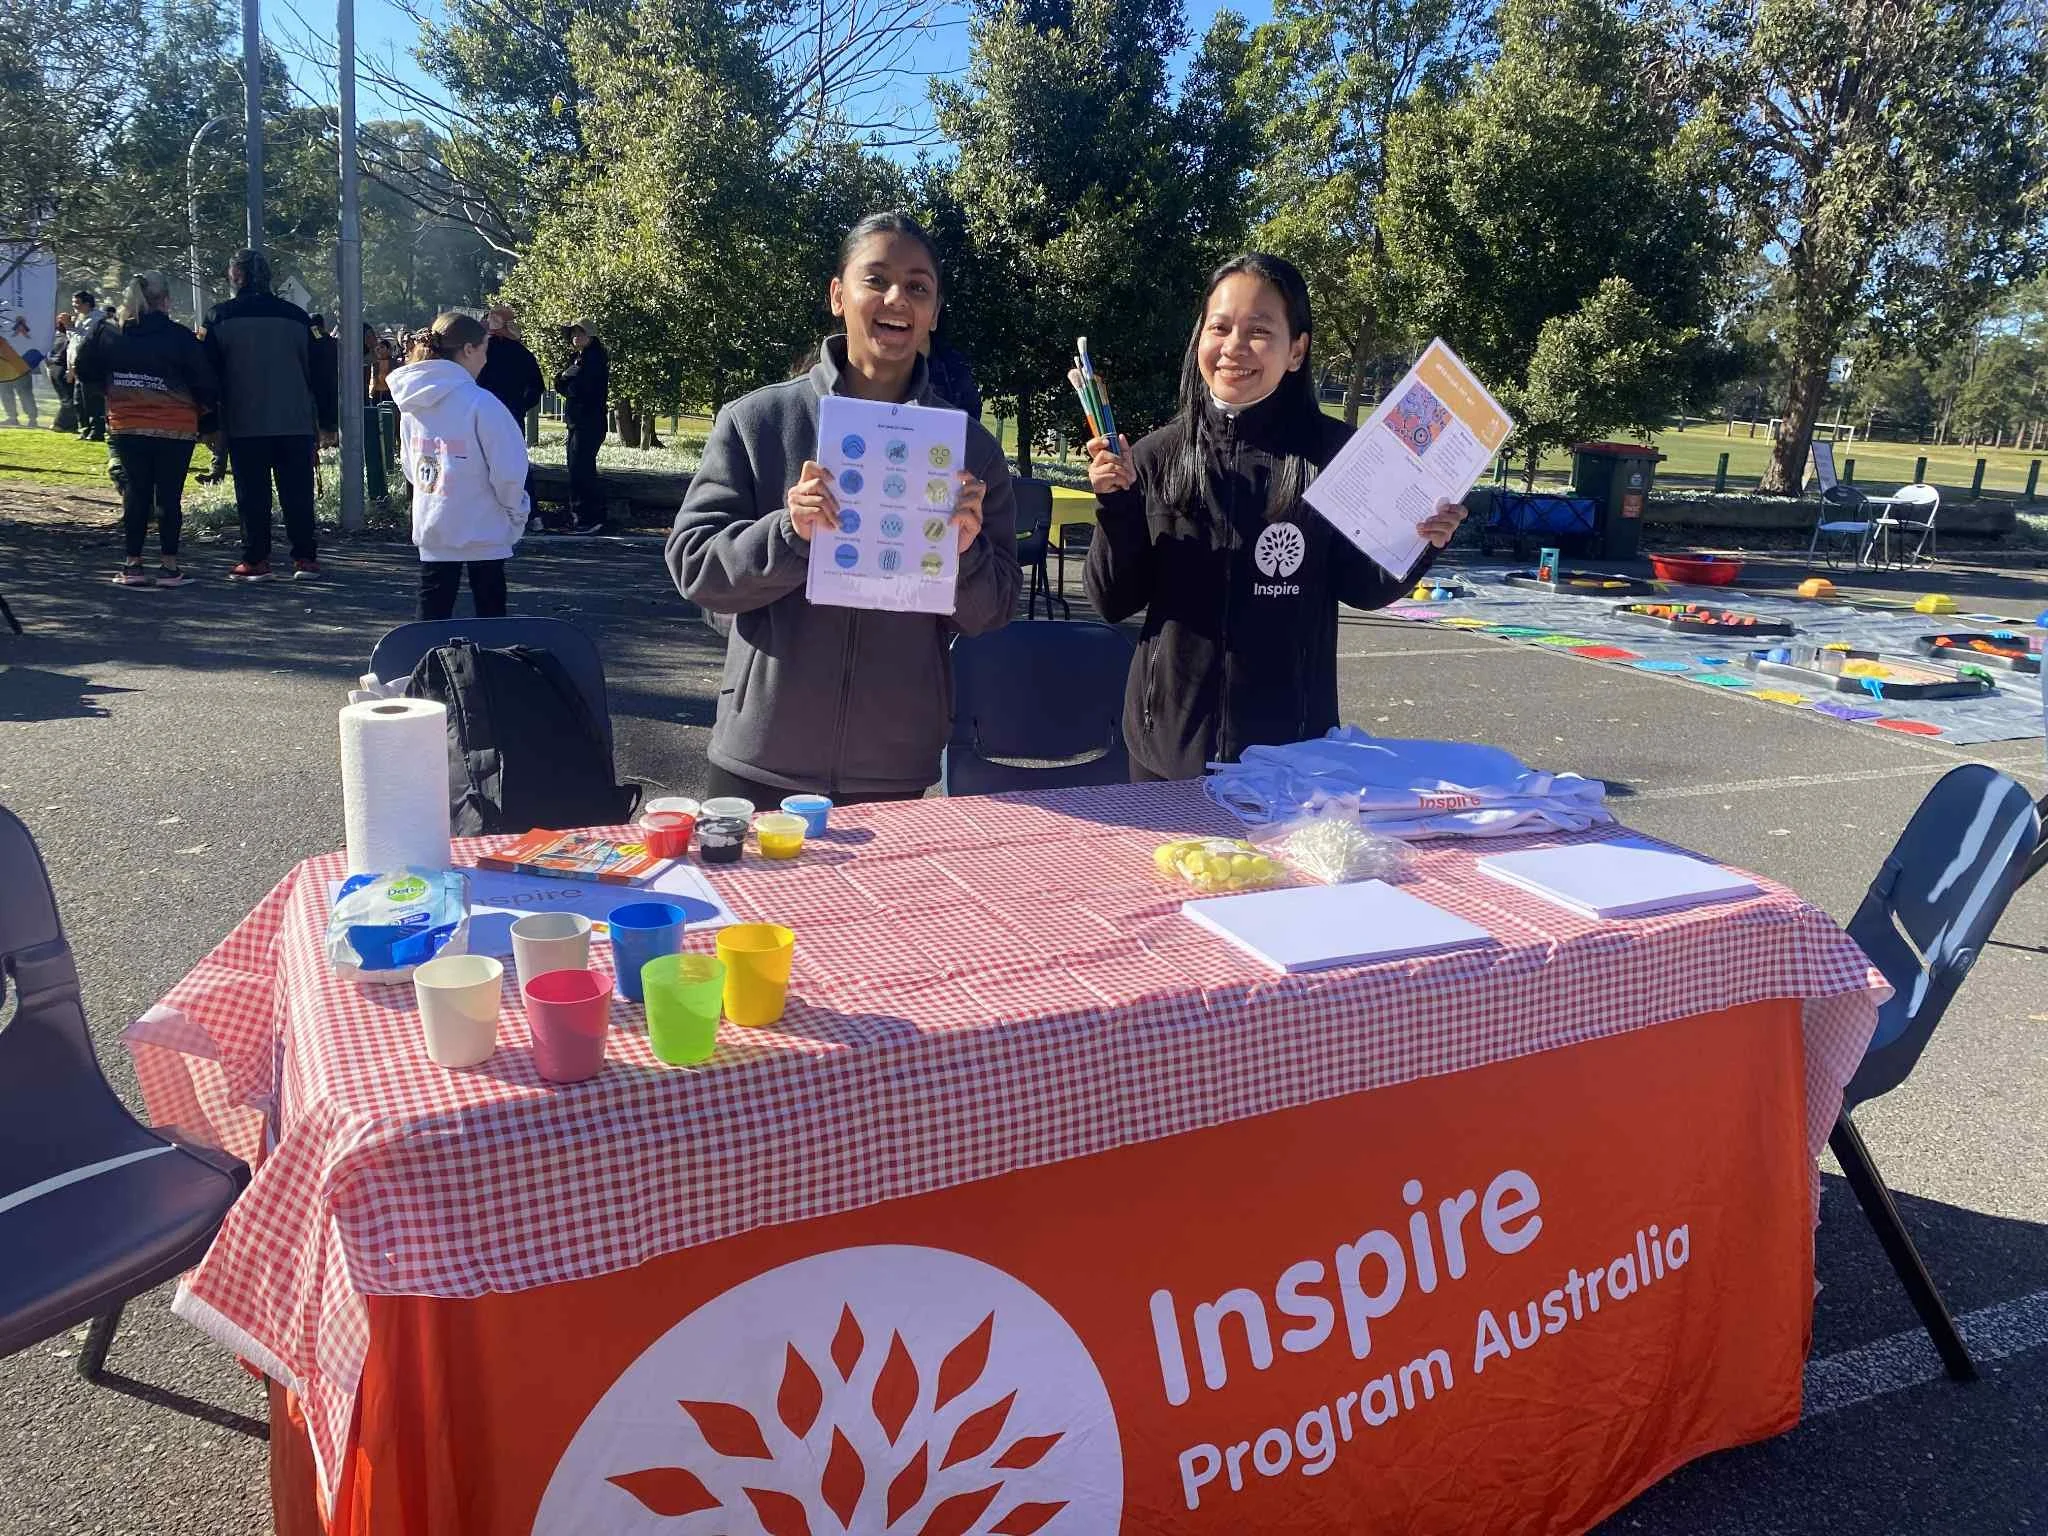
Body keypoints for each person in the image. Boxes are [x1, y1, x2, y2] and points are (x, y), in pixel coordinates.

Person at [668, 210, 1020, 804]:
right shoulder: (758, 423)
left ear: (933, 312)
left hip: (896, 764)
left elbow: (994, 609)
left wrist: (963, 553)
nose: (896, 299)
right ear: (838, 295)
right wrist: (789, 531)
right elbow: (696, 569)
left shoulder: (968, 451)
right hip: (761, 756)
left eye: (917, 286)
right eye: (875, 279)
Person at [1084, 252, 1467, 781]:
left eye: (1259, 331)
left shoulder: (1338, 457)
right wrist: (1117, 507)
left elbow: (1364, 586)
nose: (1234, 347)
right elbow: (1113, 600)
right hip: (1164, 752)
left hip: (1292, 755)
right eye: (1219, 327)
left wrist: (1423, 539)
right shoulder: (1154, 456)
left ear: (1296, 351)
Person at [70, 270, 218, 588]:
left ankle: (132, 565)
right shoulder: (180, 336)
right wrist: (208, 422)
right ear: (165, 300)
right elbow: (204, 381)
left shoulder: (109, 332)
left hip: (127, 424)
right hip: (175, 428)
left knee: (136, 493)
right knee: (169, 496)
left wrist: (107, 393)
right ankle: (169, 567)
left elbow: (82, 368)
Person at [203, 248, 339, 580]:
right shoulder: (298, 318)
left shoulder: (219, 317)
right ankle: (305, 558)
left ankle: (256, 560)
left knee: (253, 496)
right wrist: (327, 423)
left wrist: (208, 424)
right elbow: (322, 372)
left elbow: (207, 375)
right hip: (294, 423)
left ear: (236, 276)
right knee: (298, 494)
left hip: (245, 422)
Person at [389, 312, 529, 620]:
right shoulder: (482, 403)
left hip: (433, 523)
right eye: (484, 350)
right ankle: (493, 667)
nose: (485, 360)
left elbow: (412, 467)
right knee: (490, 613)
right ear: (468, 349)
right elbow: (508, 470)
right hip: (483, 526)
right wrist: (515, 511)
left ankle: (424, 665)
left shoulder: (412, 402)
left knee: (431, 612)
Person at [477, 305, 546, 531]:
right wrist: (521, 406)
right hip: (512, 414)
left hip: (483, 414)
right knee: (517, 464)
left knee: (483, 464)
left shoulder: (480, 351)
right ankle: (531, 514)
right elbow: (537, 386)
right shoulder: (522, 353)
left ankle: (489, 513)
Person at [553, 320, 609, 532]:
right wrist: (565, 377)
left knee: (581, 470)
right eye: (573, 333)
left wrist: (568, 381)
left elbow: (579, 390)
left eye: (580, 333)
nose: (575, 337)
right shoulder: (578, 358)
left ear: (590, 336)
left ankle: (588, 517)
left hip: (589, 421)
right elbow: (561, 384)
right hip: (578, 421)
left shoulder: (594, 358)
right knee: (577, 468)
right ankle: (580, 515)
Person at [69, 291, 109, 440]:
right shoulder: (81, 319)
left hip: (92, 366)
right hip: (79, 366)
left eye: (77, 302)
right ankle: (84, 429)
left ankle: (97, 431)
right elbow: (73, 344)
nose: (74, 305)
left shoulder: (97, 319)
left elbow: (84, 342)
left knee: (92, 400)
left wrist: (70, 327)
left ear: (87, 304)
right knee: (78, 400)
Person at [0, 318, 35, 427]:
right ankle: (12, 418)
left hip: (19, 367)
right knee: (6, 394)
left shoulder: (13, 333)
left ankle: (32, 419)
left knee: (25, 394)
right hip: (5, 370)